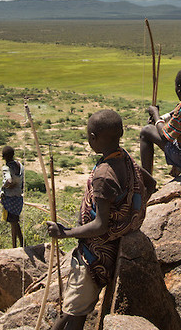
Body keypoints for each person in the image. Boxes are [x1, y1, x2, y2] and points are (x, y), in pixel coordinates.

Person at [46, 110, 149, 330]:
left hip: (95, 256)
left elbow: (100, 225)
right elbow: (150, 183)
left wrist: (64, 232)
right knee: (71, 308)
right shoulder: (125, 158)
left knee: (76, 314)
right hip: (111, 247)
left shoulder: (104, 175)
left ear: (93, 137)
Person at [0, 145, 25, 248]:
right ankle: (22, 243)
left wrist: (4, 187)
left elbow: (8, 180)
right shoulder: (20, 165)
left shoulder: (6, 168)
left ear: (4, 157)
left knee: (13, 222)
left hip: (10, 198)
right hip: (19, 197)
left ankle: (14, 246)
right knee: (16, 221)